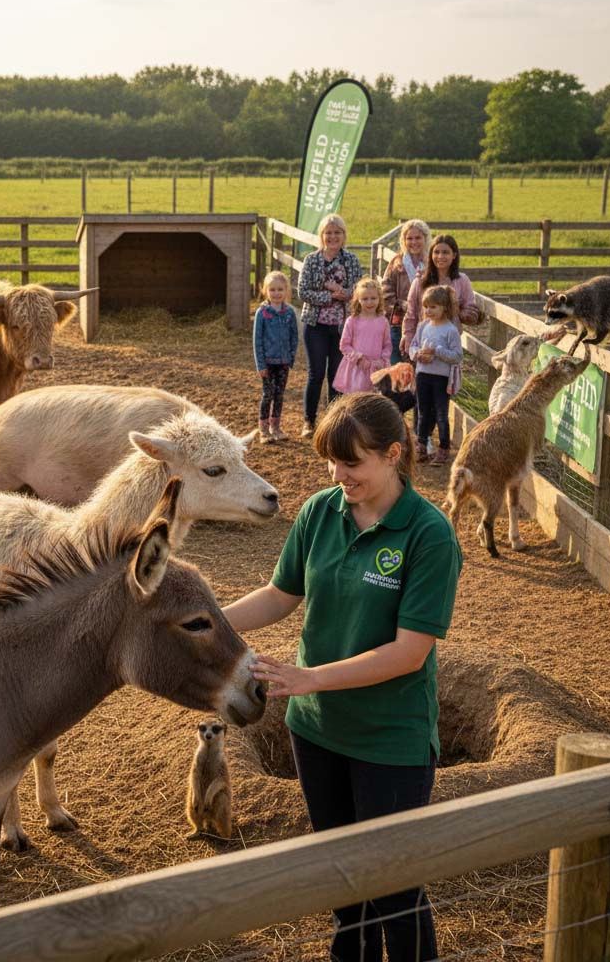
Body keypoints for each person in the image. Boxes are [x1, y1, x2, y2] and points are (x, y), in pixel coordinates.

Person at [224, 392, 461, 962]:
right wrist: (203, 625)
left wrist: (311, 679)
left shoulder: (428, 535)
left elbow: (409, 652)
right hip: (317, 732)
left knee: (395, 888)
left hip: (389, 738)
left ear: (394, 455)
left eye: (351, 462)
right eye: (331, 461)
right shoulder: (318, 511)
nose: (338, 474)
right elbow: (282, 595)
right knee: (342, 882)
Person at [298, 213, 361, 436]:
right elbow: (303, 292)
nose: (333, 236)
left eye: (337, 232)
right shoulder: (312, 260)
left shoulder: (351, 260)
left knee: (336, 375)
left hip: (342, 327)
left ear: (344, 236)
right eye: (328, 233)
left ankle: (332, 421)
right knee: (316, 373)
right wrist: (330, 297)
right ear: (322, 236)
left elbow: (358, 292)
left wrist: (340, 292)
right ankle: (309, 420)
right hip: (315, 325)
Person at [400, 233, 481, 358]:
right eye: (436, 252)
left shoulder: (462, 280)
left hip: (449, 343)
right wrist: (408, 339)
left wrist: (455, 311)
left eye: (445, 252)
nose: (440, 256)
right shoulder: (420, 281)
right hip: (423, 342)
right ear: (430, 255)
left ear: (454, 255)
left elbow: (470, 310)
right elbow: (411, 314)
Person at [409, 286, 463, 465]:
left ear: (445, 308)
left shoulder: (450, 330)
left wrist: (437, 351)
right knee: (423, 412)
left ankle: (444, 448)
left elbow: (457, 356)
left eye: (433, 307)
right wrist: (417, 354)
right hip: (423, 375)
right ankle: (422, 445)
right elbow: (413, 346)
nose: (428, 311)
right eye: (426, 307)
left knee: (441, 413)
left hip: (441, 378)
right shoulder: (423, 326)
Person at [252, 270, 299, 444]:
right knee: (267, 394)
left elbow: (294, 336)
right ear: (266, 291)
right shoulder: (262, 313)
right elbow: (257, 340)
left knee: (279, 394)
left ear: (286, 291)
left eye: (280, 289)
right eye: (272, 289)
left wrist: (291, 357)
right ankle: (263, 429)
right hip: (268, 363)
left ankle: (276, 427)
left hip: (283, 362)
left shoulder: (289, 313)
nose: (276, 293)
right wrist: (260, 365)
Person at [381, 219, 430, 365]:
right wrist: (402, 304)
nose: (414, 242)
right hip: (398, 322)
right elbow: (385, 292)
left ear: (425, 239)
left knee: (419, 368)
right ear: (403, 240)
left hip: (424, 324)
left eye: (418, 238)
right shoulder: (396, 263)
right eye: (409, 238)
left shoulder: (430, 264)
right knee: (397, 368)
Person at [332, 276, 391, 395]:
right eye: (365, 299)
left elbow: (387, 345)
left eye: (373, 298)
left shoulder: (383, 321)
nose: (369, 302)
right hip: (356, 369)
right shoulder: (352, 321)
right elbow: (344, 345)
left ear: (379, 299)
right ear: (358, 300)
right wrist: (358, 358)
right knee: (356, 402)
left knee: (373, 402)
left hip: (376, 370)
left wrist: (382, 360)